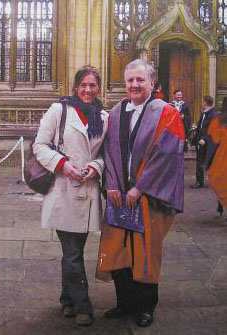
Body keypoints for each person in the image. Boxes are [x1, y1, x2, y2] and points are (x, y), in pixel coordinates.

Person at [96, 59, 185, 327]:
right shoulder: (115, 113)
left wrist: (139, 187)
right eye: (130, 80)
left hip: (148, 198)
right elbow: (108, 152)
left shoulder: (167, 113)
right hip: (119, 197)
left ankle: (146, 306)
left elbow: (166, 155)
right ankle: (124, 303)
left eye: (140, 80)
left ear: (152, 83)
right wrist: (112, 184)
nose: (134, 85)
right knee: (119, 250)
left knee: (146, 251)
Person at [33, 66, 108, 326]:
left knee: (73, 251)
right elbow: (39, 145)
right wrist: (63, 165)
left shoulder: (104, 117)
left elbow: (104, 155)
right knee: (73, 251)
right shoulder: (59, 110)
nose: (88, 90)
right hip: (63, 191)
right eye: (83, 85)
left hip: (87, 191)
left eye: (93, 85)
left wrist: (95, 167)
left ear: (99, 88)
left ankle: (67, 300)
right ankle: (83, 306)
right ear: (76, 86)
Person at [206, 96, 227, 216]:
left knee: (222, 180)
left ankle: (220, 204)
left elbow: (213, 138)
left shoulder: (219, 120)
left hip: (223, 155)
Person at [191, 95, 216, 188]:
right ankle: (200, 182)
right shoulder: (204, 113)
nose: (202, 103)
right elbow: (202, 126)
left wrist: (204, 139)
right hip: (200, 141)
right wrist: (196, 127)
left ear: (205, 102)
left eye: (202, 101)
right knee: (200, 161)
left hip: (207, 142)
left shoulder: (213, 115)